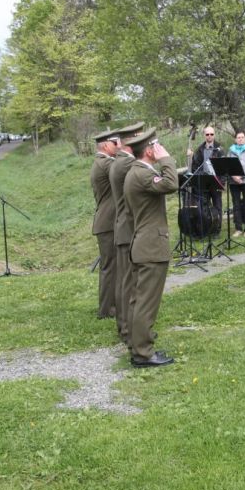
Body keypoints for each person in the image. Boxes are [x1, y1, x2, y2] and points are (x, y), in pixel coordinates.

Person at [124, 127, 178, 368]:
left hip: (143, 243)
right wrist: (166, 159)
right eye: (156, 145)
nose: (159, 149)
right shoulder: (141, 174)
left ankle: (137, 344)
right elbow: (171, 183)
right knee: (146, 301)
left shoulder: (138, 171)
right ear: (148, 150)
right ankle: (143, 354)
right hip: (151, 245)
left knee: (138, 299)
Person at [109, 120, 144, 344]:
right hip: (127, 227)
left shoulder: (120, 161)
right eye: (139, 137)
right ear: (131, 141)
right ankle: (126, 329)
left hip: (123, 225)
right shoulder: (126, 164)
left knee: (125, 280)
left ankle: (124, 326)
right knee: (127, 281)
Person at [90, 129, 120, 319]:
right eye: (115, 144)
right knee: (109, 267)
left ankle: (112, 305)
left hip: (107, 221)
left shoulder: (101, 162)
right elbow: (124, 171)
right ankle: (106, 309)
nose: (117, 147)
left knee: (113, 266)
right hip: (108, 222)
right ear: (106, 146)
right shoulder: (105, 163)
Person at [189, 126, 225, 221]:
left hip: (216, 182)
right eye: (207, 134)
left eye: (211, 134)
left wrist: (222, 183)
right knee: (204, 206)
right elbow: (195, 167)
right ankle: (208, 226)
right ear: (204, 135)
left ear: (214, 135)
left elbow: (224, 168)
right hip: (204, 182)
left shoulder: (220, 149)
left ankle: (217, 228)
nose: (209, 136)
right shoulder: (200, 149)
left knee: (217, 205)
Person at [228, 131, 245, 238]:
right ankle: (238, 228)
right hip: (233, 182)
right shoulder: (231, 151)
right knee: (236, 205)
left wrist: (241, 176)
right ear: (235, 139)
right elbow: (228, 165)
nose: (240, 139)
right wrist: (234, 177)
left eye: (242, 137)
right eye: (238, 137)